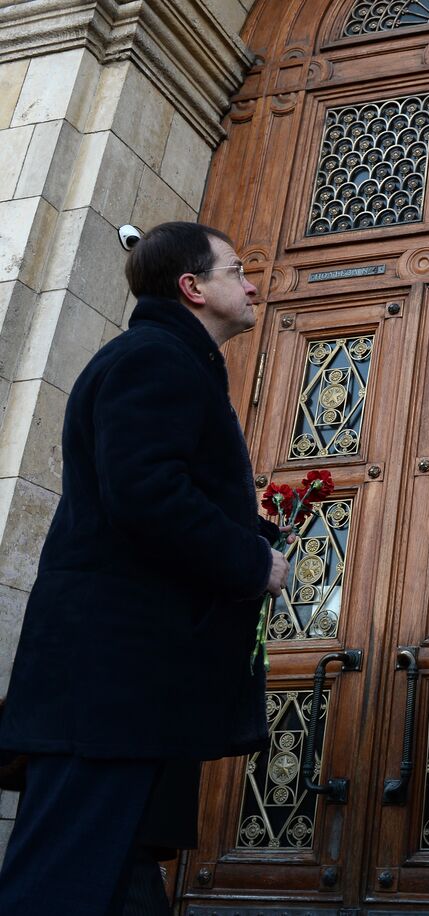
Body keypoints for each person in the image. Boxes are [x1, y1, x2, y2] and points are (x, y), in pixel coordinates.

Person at [0, 222, 289, 915]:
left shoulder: (171, 360)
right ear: (193, 288)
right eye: (236, 270)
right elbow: (145, 495)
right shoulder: (154, 358)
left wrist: (247, 530)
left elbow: (146, 490)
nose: (253, 284)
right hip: (110, 685)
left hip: (135, 689)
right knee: (66, 878)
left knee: (121, 873)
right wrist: (253, 561)